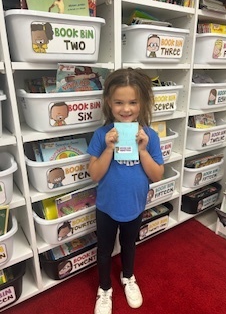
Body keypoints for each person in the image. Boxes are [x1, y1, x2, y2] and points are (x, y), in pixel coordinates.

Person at [87, 68, 164, 314]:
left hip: (135, 205)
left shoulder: (149, 135)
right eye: (119, 102)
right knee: (104, 250)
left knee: (130, 244)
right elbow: (95, 174)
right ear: (109, 102)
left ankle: (128, 277)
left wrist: (142, 150)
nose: (126, 109)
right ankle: (104, 288)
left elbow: (157, 174)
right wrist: (109, 148)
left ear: (142, 103)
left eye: (133, 102)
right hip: (107, 207)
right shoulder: (101, 135)